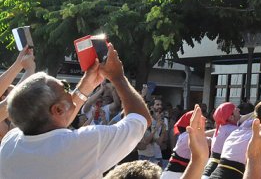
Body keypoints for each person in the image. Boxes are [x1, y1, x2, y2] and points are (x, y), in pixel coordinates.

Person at [0, 44, 152, 179]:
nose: (69, 91)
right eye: (65, 87)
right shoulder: (85, 143)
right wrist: (118, 77)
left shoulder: (10, 143)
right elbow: (140, 119)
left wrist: (86, 85)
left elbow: (56, 123)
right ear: (58, 109)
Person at [202, 102, 241, 177]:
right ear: (231, 117)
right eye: (236, 109)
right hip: (219, 172)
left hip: (209, 170)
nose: (239, 110)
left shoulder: (221, 128)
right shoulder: (234, 130)